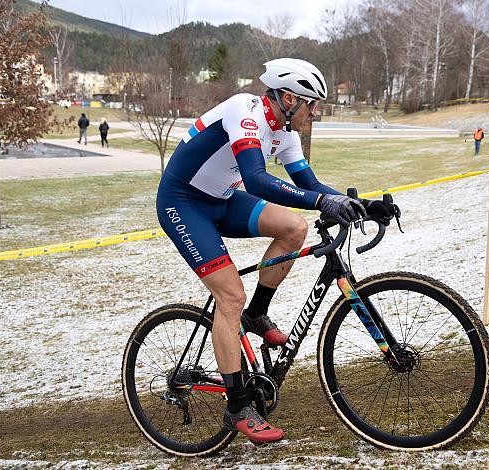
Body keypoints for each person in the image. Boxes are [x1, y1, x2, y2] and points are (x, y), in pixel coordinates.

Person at [156, 58, 398, 445]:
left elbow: (308, 182)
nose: (314, 112)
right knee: (229, 295)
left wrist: (364, 205)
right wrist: (322, 201)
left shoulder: (285, 132)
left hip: (221, 199)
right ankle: (237, 406)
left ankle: (257, 313)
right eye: (311, 103)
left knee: (294, 227)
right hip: (182, 203)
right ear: (288, 98)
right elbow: (255, 178)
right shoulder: (244, 112)